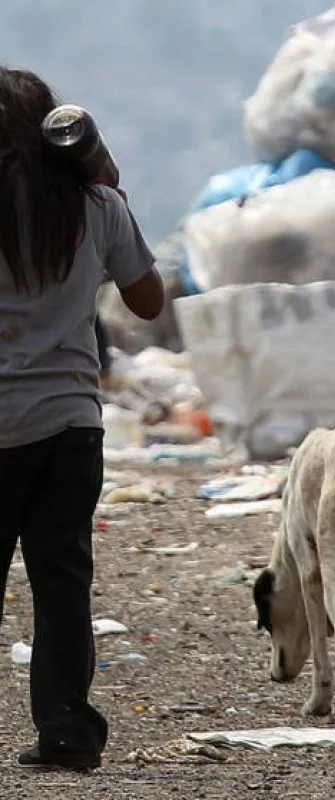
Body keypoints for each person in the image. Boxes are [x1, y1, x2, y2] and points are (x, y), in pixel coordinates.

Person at [0, 67, 164, 770]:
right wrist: (112, 192)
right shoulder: (95, 206)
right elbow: (150, 302)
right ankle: (67, 733)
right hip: (71, 426)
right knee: (61, 579)